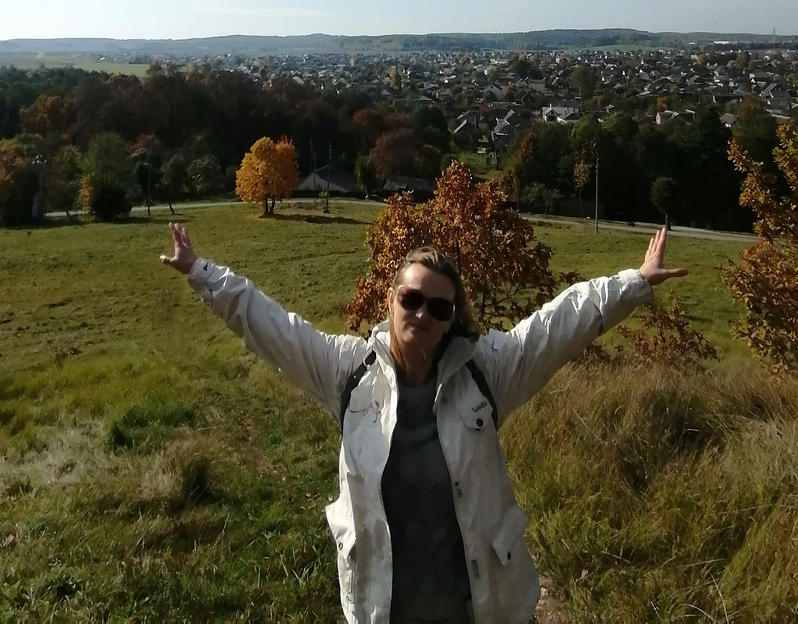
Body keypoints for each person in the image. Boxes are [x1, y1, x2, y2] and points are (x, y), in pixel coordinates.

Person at [160, 223, 686, 624]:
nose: (422, 314)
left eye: (439, 307)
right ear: (390, 301)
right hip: (384, 607)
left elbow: (560, 324)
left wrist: (635, 283)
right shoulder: (349, 374)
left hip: (477, 607)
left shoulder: (486, 371)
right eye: (411, 299)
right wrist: (200, 272)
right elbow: (270, 326)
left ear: (452, 318)